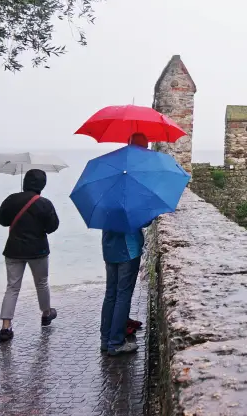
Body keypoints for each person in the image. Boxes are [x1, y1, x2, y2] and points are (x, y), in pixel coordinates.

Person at [0, 168, 59, 342]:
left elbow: (2, 221)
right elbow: (53, 227)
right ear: (42, 185)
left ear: (24, 183)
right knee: (42, 283)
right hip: (38, 251)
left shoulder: (11, 200)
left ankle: (6, 327)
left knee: (12, 287)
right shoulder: (44, 203)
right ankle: (46, 314)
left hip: (13, 249)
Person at [100, 132, 148, 356]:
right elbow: (141, 219)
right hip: (127, 247)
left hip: (108, 244)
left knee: (111, 293)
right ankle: (116, 343)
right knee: (123, 294)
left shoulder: (110, 176)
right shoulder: (134, 180)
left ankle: (105, 338)